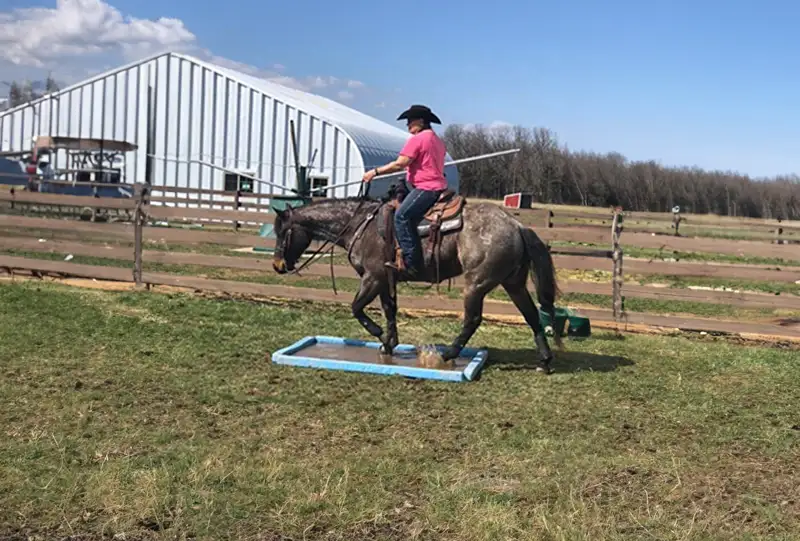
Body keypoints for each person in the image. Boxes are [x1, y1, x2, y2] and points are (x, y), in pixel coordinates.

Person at [362, 104, 447, 278]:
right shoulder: (436, 140)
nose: (407, 124)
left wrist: (375, 172)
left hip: (427, 187)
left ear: (421, 121)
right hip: (437, 185)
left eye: (410, 120)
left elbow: (400, 163)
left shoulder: (418, 139)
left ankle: (411, 263)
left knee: (401, 216)